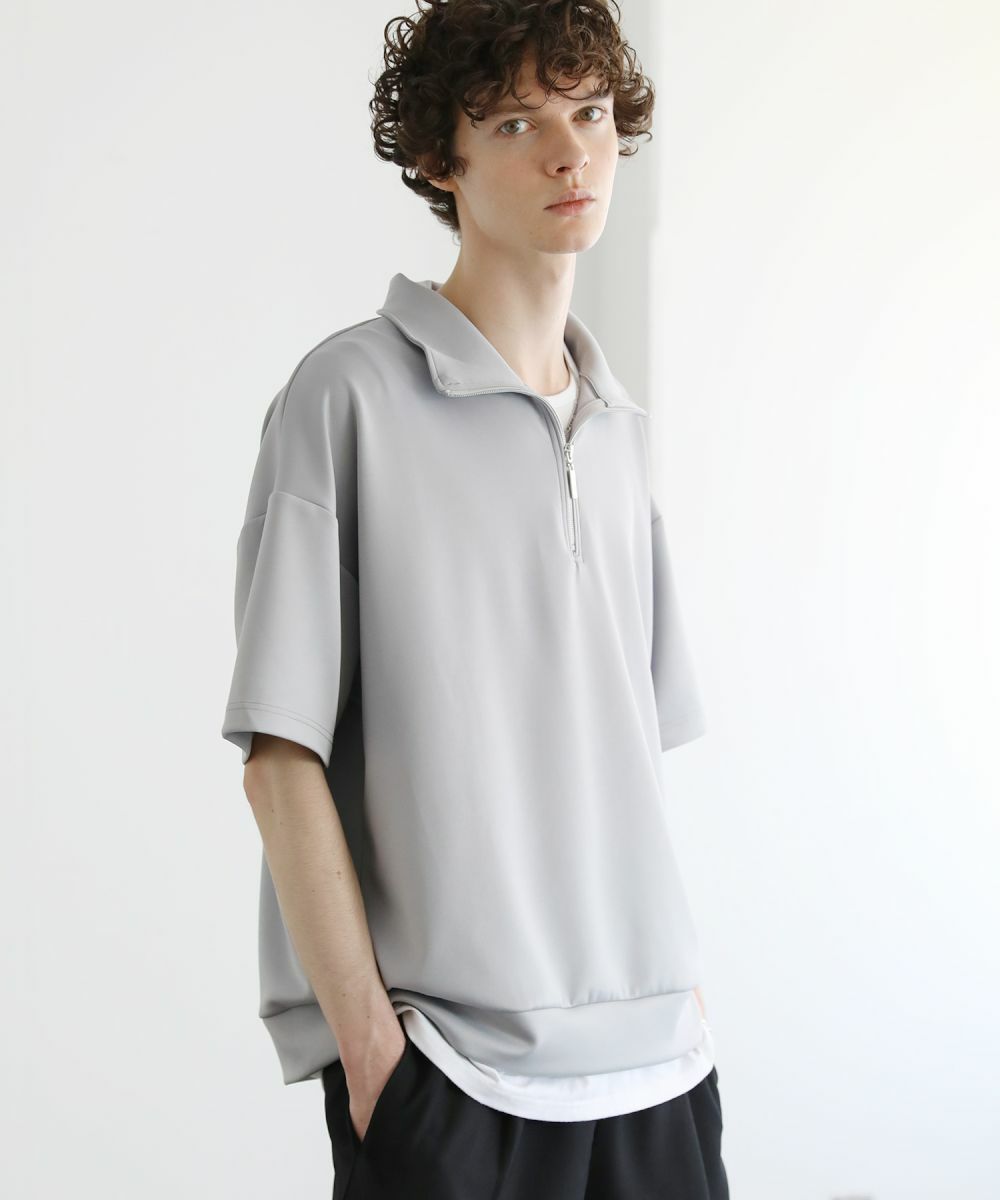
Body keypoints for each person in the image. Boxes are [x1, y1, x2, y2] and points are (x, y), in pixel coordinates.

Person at [221, 2, 729, 1196]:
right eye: (515, 122)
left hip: (659, 1070)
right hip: (454, 1077)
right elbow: (280, 757)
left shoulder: (616, 429)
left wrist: (691, 1004)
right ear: (437, 160)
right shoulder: (346, 398)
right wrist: (371, 1054)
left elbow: (630, 762)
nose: (570, 153)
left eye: (589, 112)